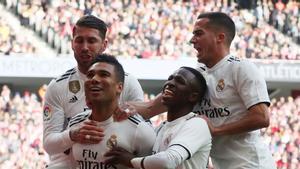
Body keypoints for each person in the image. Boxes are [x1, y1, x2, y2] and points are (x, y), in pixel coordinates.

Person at [126, 12, 276, 169]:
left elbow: (261, 117)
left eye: (199, 33)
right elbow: (150, 108)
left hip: (252, 164)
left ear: (220, 37)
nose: (192, 40)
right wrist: (116, 108)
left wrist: (216, 130)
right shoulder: (197, 76)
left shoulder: (240, 68)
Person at [43, 15, 144, 168]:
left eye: (91, 40)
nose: (84, 47)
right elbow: (49, 145)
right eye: (79, 40)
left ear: (104, 45)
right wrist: (72, 135)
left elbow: (144, 133)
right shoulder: (58, 86)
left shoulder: (128, 83)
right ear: (71, 44)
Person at [104, 66, 211, 169]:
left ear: (193, 96)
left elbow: (168, 161)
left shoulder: (196, 124)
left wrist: (131, 160)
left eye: (180, 81)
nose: (170, 83)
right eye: (170, 79)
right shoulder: (162, 127)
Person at [68, 54, 155, 169]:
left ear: (119, 87)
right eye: (90, 75)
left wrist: (132, 162)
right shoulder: (75, 123)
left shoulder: (140, 131)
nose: (94, 79)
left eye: (104, 74)